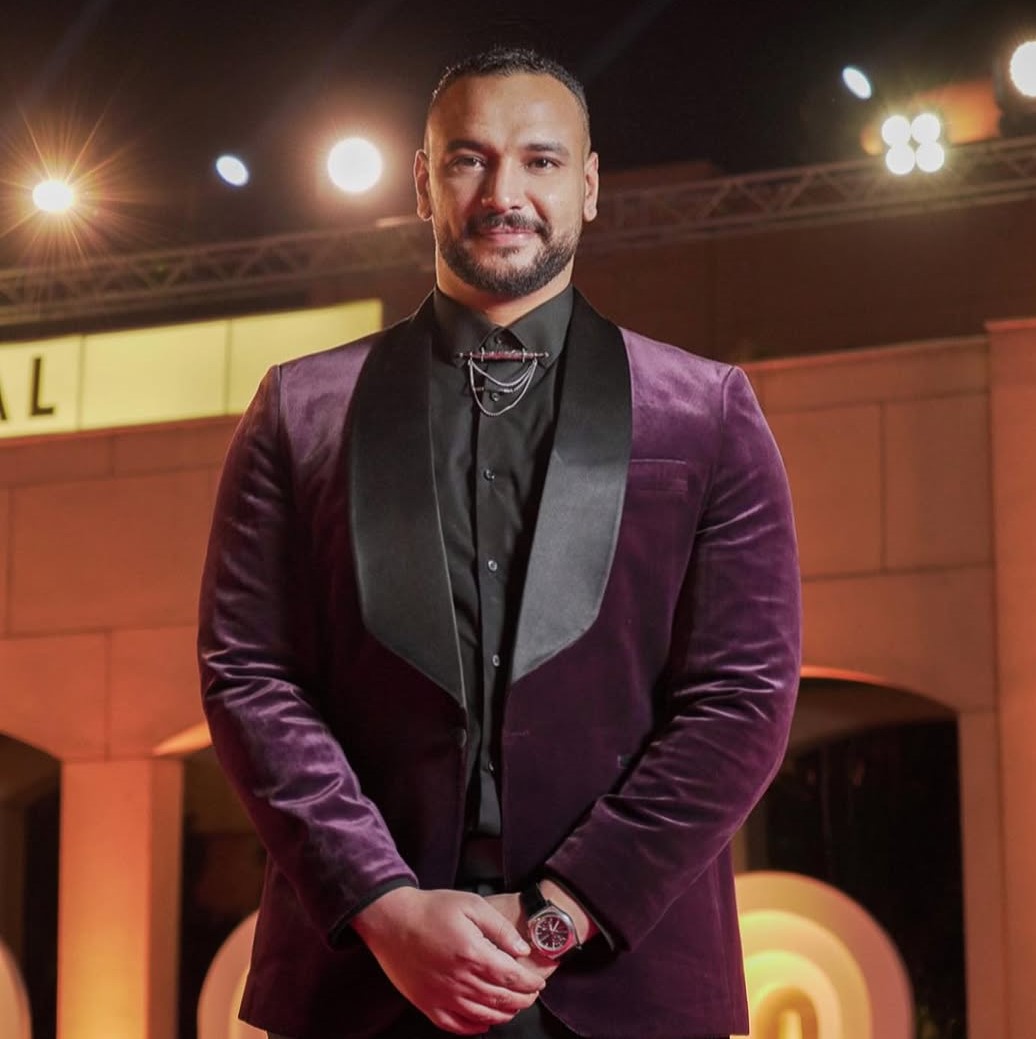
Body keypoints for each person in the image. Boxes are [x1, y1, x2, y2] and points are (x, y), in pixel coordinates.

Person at [198, 46, 801, 1039]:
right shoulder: (300, 411)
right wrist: (383, 904)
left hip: (625, 985)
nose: (503, 192)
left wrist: (560, 916)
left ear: (589, 185)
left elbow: (742, 700)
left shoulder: (707, 413)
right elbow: (249, 677)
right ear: (422, 184)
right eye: (469, 159)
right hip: (362, 984)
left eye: (540, 161)